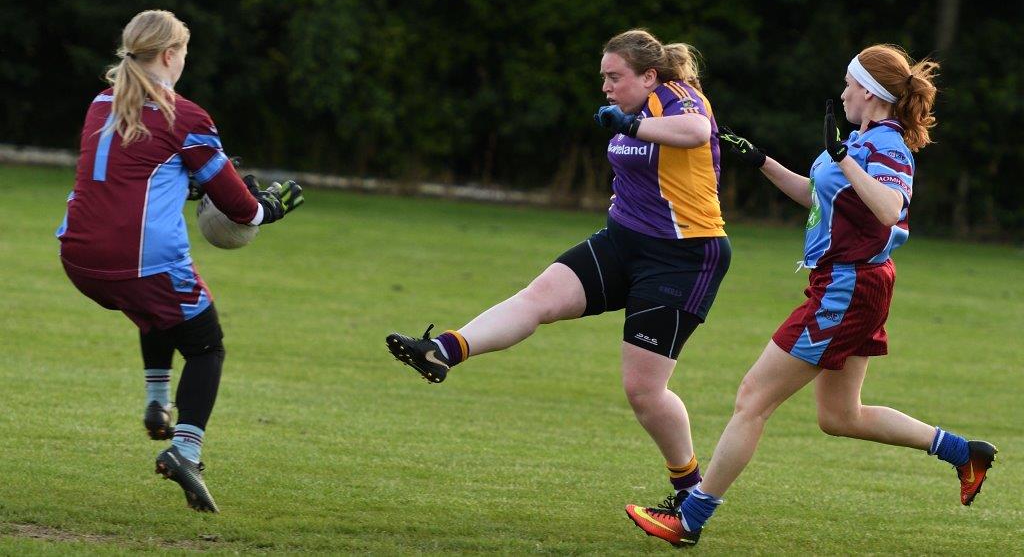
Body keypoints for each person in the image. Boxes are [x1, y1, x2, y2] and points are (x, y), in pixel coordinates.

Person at [625, 44, 998, 547]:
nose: (843, 92)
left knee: (751, 399)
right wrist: (760, 160)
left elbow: (889, 208)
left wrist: (845, 158)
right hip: (849, 284)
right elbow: (813, 194)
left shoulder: (886, 145)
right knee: (840, 417)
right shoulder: (859, 141)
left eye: (849, 83)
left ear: (869, 90)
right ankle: (964, 452)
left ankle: (690, 518)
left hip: (849, 285)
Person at [386, 29, 731, 503]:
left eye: (616, 77)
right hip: (622, 240)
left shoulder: (679, 97)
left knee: (643, 392)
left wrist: (627, 126)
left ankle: (689, 491)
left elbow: (695, 134)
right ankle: (442, 351)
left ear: (650, 76)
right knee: (538, 298)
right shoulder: (631, 111)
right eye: (603, 78)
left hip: (684, 257)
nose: (606, 88)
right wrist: (626, 124)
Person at [56, 10, 304, 513]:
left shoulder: (100, 104)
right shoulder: (184, 115)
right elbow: (241, 207)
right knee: (207, 344)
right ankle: (186, 450)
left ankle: (156, 400)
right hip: (140, 259)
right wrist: (269, 209)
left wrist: (185, 182)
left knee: (159, 311)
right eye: (184, 53)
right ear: (171, 55)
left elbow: (137, 172)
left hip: (79, 257)